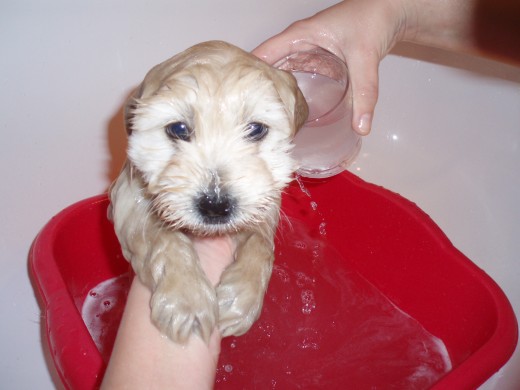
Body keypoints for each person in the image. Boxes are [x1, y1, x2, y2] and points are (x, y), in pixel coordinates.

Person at [101, 0, 519, 388]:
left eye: (255, 130)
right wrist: (173, 267)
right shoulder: (139, 171)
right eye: (178, 130)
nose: (216, 192)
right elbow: (134, 210)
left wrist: (255, 260)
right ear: (136, 125)